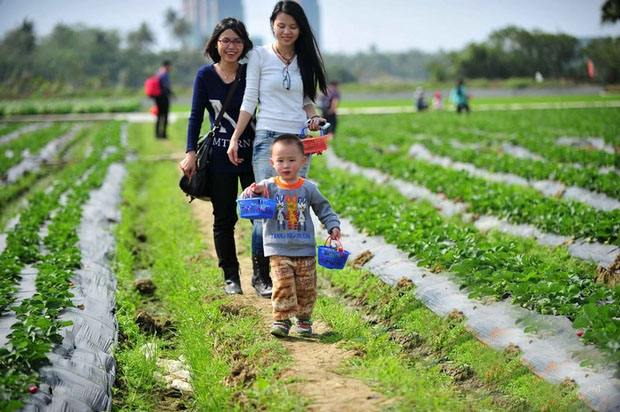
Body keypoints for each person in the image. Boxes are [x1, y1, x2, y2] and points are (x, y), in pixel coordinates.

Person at [227, 0, 328, 299]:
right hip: (267, 139)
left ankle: (291, 270)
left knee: (293, 207)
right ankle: (261, 275)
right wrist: (235, 137)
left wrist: (312, 117)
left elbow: (307, 100)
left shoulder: (305, 59)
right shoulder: (259, 55)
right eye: (281, 25)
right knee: (266, 208)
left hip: (298, 142)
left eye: (293, 27)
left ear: (300, 30)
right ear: (272, 24)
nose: (286, 31)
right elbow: (249, 100)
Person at [178, 18, 256, 295]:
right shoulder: (205, 76)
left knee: (260, 216)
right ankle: (231, 276)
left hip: (251, 156)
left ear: (244, 44)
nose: (231, 46)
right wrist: (190, 153)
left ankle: (261, 275)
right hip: (220, 158)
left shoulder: (251, 72)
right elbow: (195, 116)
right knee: (224, 218)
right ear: (216, 44)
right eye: (225, 41)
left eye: (237, 41)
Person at [239, 134, 341, 337]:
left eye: (292, 160)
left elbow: (324, 208)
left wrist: (333, 226)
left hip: (305, 249)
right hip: (277, 248)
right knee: (282, 284)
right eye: (280, 161)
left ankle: (303, 320)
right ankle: (281, 319)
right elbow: (244, 200)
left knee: (306, 287)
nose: (286, 165)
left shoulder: (308, 188)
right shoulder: (267, 186)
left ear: (303, 161)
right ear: (272, 163)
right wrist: (251, 191)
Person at [154, 60, 173, 138]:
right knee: (165, 116)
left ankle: (157, 134)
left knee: (159, 116)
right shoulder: (164, 74)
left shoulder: (158, 73)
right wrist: (171, 93)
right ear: (167, 66)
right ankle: (163, 134)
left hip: (157, 97)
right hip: (163, 97)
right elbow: (166, 86)